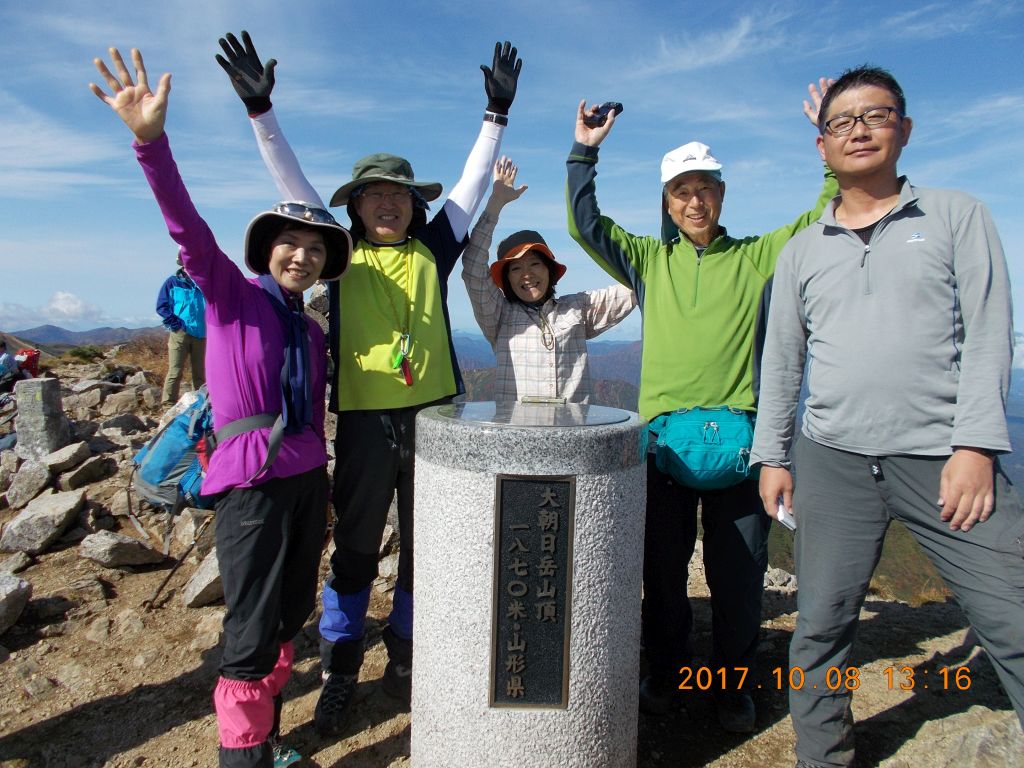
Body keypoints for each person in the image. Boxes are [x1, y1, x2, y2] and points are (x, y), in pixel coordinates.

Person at [215, 31, 521, 735]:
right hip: (361, 425)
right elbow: (290, 186)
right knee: (353, 551)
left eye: (400, 195)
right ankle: (340, 671)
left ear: (416, 206)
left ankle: (407, 660)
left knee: (425, 545)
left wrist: (495, 114)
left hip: (434, 421)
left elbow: (473, 188)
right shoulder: (340, 255)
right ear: (351, 208)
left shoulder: (434, 247)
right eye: (375, 195)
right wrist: (262, 112)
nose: (389, 204)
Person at [750, 65, 1024, 768]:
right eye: (842, 122)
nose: (860, 129)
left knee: (1011, 615)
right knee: (821, 627)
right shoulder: (803, 249)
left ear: (904, 128)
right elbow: (782, 360)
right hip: (833, 459)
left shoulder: (957, 216)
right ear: (822, 148)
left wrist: (977, 445)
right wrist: (772, 456)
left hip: (945, 456)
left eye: (876, 115)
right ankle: (824, 757)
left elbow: (992, 330)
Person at [90, 47, 353, 768]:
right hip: (250, 487)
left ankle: (264, 736)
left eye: (312, 249)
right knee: (246, 634)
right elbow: (186, 227)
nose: (300, 256)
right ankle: (245, 756)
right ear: (267, 251)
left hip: (306, 482)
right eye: (288, 245)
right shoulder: (230, 297)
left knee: (291, 612)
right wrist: (151, 142)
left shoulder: (308, 327)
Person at [566, 84, 838, 732]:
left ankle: (731, 687)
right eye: (682, 191)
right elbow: (586, 224)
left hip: (742, 446)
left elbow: (821, 220)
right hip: (660, 448)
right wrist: (583, 154)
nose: (695, 200)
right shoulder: (647, 260)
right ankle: (667, 671)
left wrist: (829, 145)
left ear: (721, 193)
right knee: (661, 577)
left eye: (705, 187)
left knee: (739, 582)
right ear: (667, 202)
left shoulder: (755, 257)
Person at [462, 156, 636, 403]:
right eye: (515, 268)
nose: (527, 274)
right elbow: (472, 268)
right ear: (506, 278)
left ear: (549, 270)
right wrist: (495, 204)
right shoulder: (498, 315)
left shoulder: (577, 308)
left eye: (535, 264)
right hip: (517, 436)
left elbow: (635, 287)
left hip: (573, 436)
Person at [155, 250, 207, 404]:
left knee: (200, 373)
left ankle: (201, 404)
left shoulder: (204, 283)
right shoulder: (172, 282)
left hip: (202, 334)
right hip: (180, 334)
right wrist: (176, 325)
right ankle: (168, 403)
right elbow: (162, 306)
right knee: (175, 371)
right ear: (182, 262)